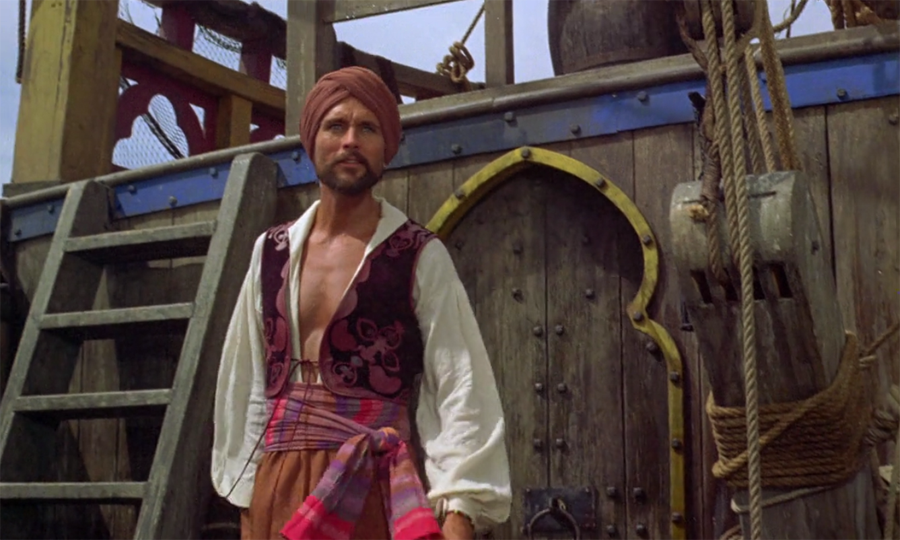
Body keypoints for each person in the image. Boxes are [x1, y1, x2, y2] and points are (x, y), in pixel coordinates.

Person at [211, 66, 512, 540]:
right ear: (312, 140)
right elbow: (245, 382)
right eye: (336, 126)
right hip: (277, 487)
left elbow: (459, 383)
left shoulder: (418, 254)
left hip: (372, 488)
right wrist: (247, 499)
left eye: (367, 128)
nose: (350, 140)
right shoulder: (270, 251)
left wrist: (461, 509)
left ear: (386, 146)